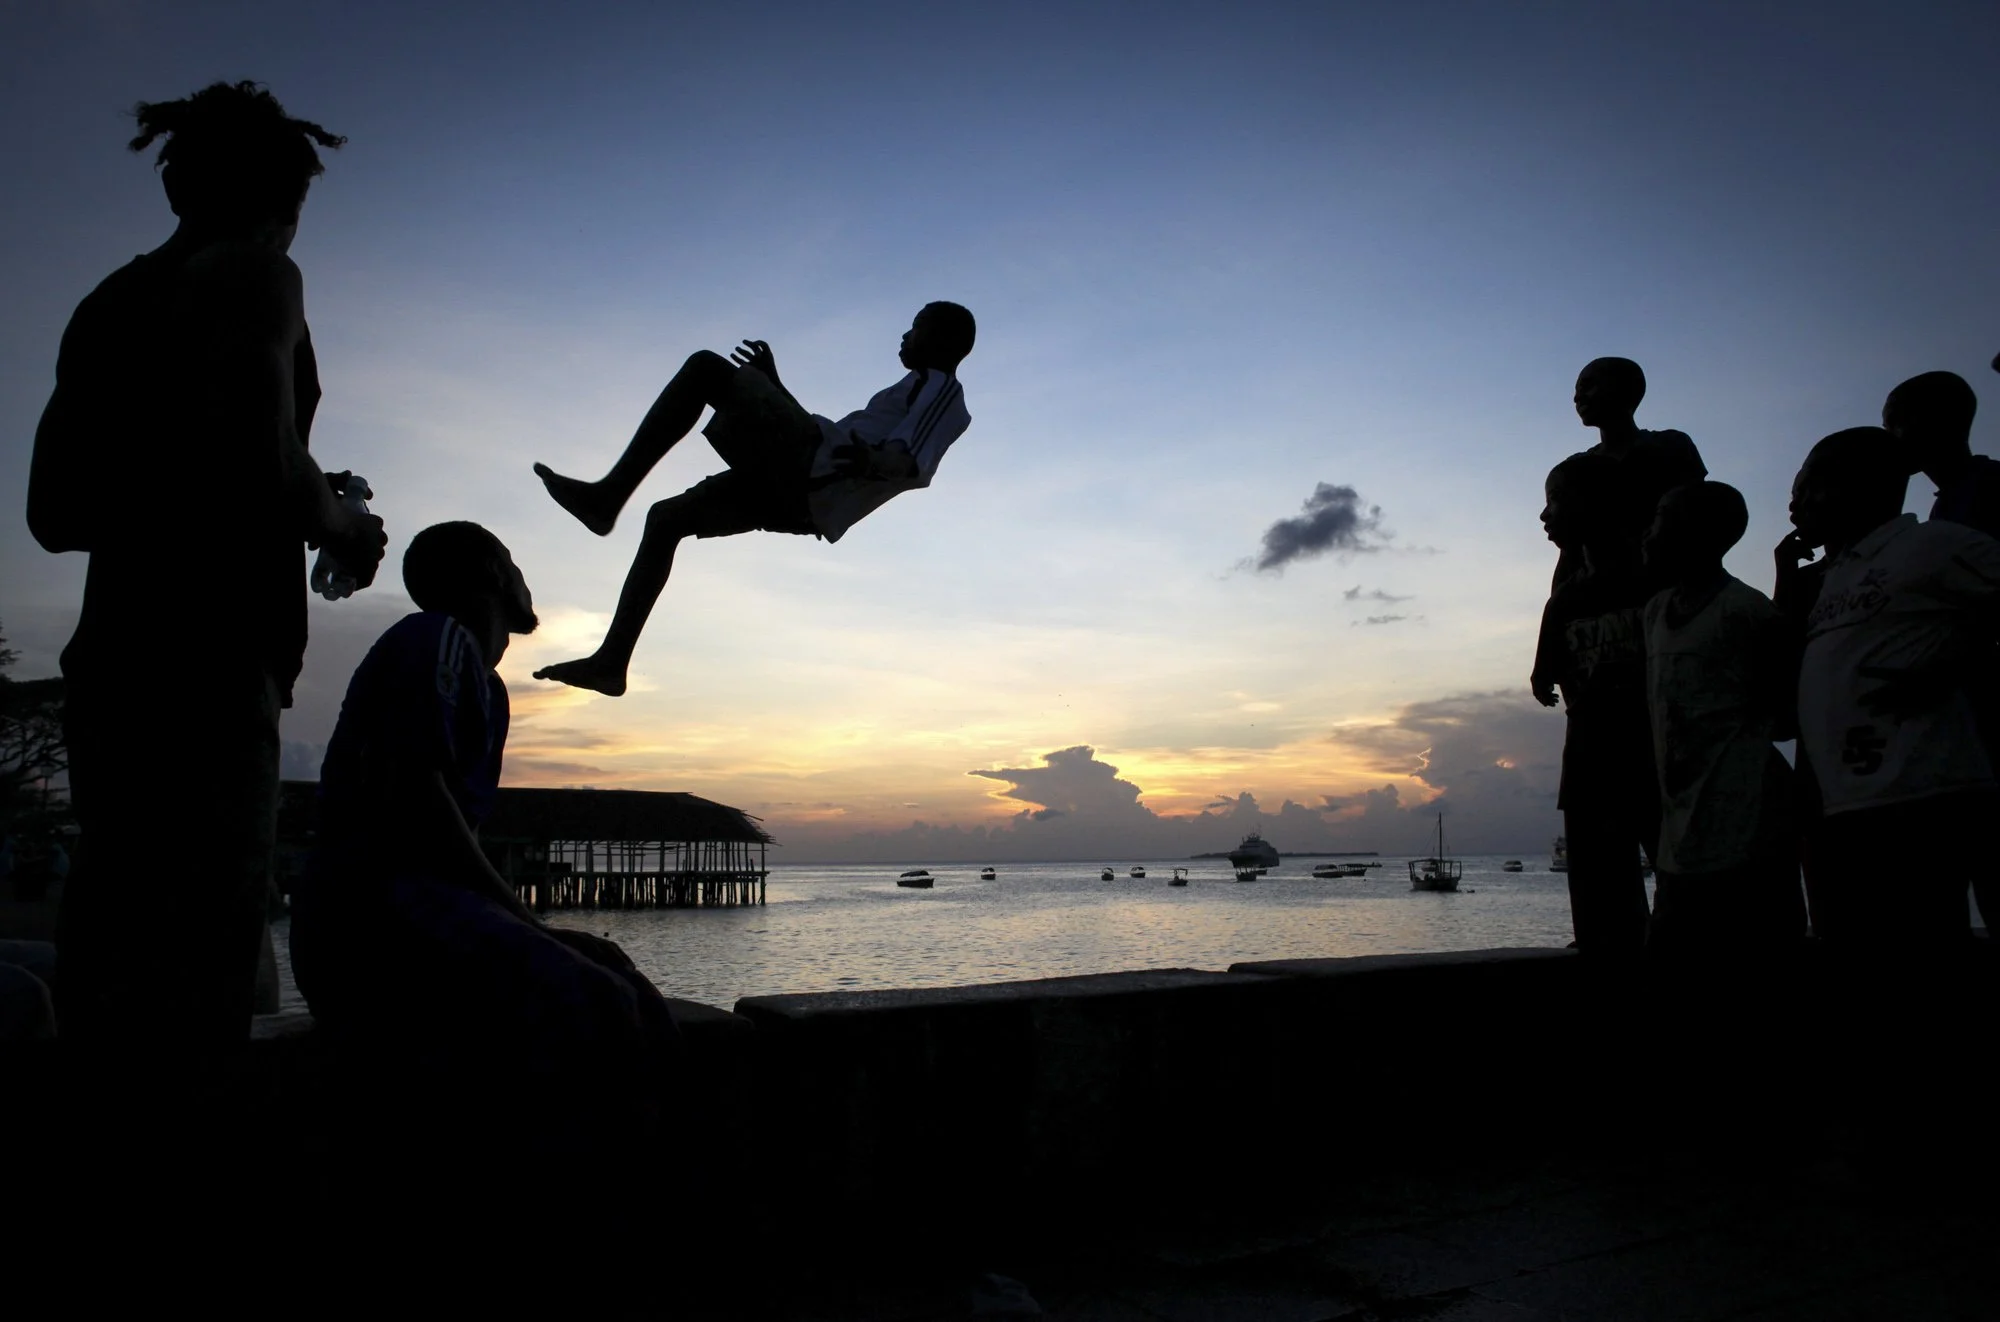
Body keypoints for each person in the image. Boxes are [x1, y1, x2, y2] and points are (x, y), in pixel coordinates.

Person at [25, 81, 387, 1046]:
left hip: (113, 667)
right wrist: (341, 524)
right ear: (287, 201)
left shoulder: (109, 305)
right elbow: (258, 459)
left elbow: (53, 514)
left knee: (110, 937)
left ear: (175, 184)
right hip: (214, 661)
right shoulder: (260, 272)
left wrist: (275, 475)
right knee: (211, 957)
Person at [290, 523, 679, 1149]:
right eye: (516, 564)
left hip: (414, 916)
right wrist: (533, 927)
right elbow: (415, 799)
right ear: (496, 574)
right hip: (368, 922)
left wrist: (536, 930)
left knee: (624, 981)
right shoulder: (438, 638)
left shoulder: (487, 685)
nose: (526, 582)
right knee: (599, 998)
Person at [531, 303, 976, 695]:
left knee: (705, 369)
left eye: (916, 326)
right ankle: (612, 662)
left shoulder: (941, 390)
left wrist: (870, 458)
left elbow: (907, 458)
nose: (905, 334)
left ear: (943, 339)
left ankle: (608, 497)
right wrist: (775, 385)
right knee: (666, 518)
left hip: (806, 475)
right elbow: (842, 439)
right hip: (799, 486)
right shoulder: (909, 390)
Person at [1789, 428, 2000, 948]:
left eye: (1812, 486)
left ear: (1862, 486)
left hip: (1920, 797)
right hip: (1848, 805)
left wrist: (1959, 662)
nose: (1799, 503)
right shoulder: (1838, 574)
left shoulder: (1935, 544)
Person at [1638, 482, 1803, 959]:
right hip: (1681, 835)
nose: (1648, 534)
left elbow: (1787, 714)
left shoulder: (1746, 612)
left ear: (1698, 532)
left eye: (1660, 520)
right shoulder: (1655, 613)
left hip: (1748, 827)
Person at [1883, 370, 2000, 932]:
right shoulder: (1947, 503)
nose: (1890, 439)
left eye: (1894, 426)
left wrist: (1944, 668)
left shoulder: (1985, 495)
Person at [1536, 450, 1658, 957]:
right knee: (1597, 871)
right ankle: (1604, 941)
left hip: (1652, 745)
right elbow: (1545, 674)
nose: (1545, 516)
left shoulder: (1652, 582)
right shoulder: (1566, 596)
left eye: (1556, 502)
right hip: (1588, 749)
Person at [1532, 357, 1705, 707]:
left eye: (1589, 385)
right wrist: (1561, 627)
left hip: (1662, 599)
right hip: (1599, 618)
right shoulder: (1574, 470)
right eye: (1576, 389)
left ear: (1628, 390)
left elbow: (1700, 516)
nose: (1578, 396)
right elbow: (1570, 555)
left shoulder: (1669, 447)